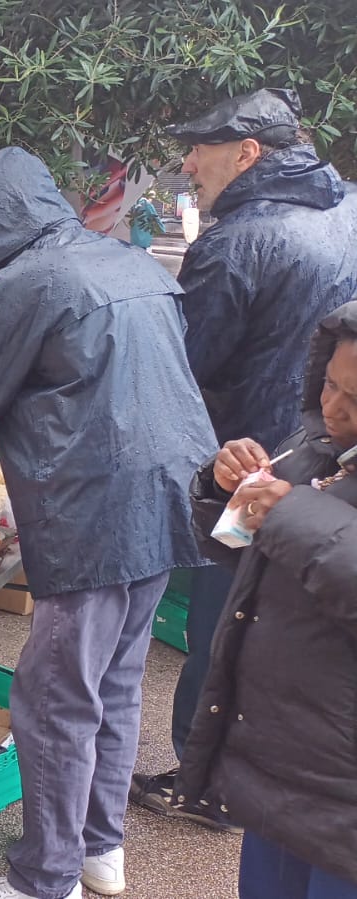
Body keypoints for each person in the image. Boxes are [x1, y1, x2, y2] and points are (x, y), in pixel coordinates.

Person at [0, 147, 214, 899]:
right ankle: (97, 849)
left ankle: (42, 881)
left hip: (92, 512)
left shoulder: (28, 282)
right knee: (114, 684)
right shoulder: (135, 263)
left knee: (54, 701)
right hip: (169, 495)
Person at [131, 87, 357, 829]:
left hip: (245, 466)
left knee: (224, 617)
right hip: (330, 456)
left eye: (200, 148)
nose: (188, 162)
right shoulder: (348, 208)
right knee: (298, 619)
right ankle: (263, 775)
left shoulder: (235, 240)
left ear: (248, 152)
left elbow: (181, 361)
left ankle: (204, 783)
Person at [177, 302, 357, 899]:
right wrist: (222, 488)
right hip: (281, 755)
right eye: (330, 384)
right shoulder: (317, 449)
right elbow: (242, 548)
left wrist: (291, 516)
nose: (334, 408)